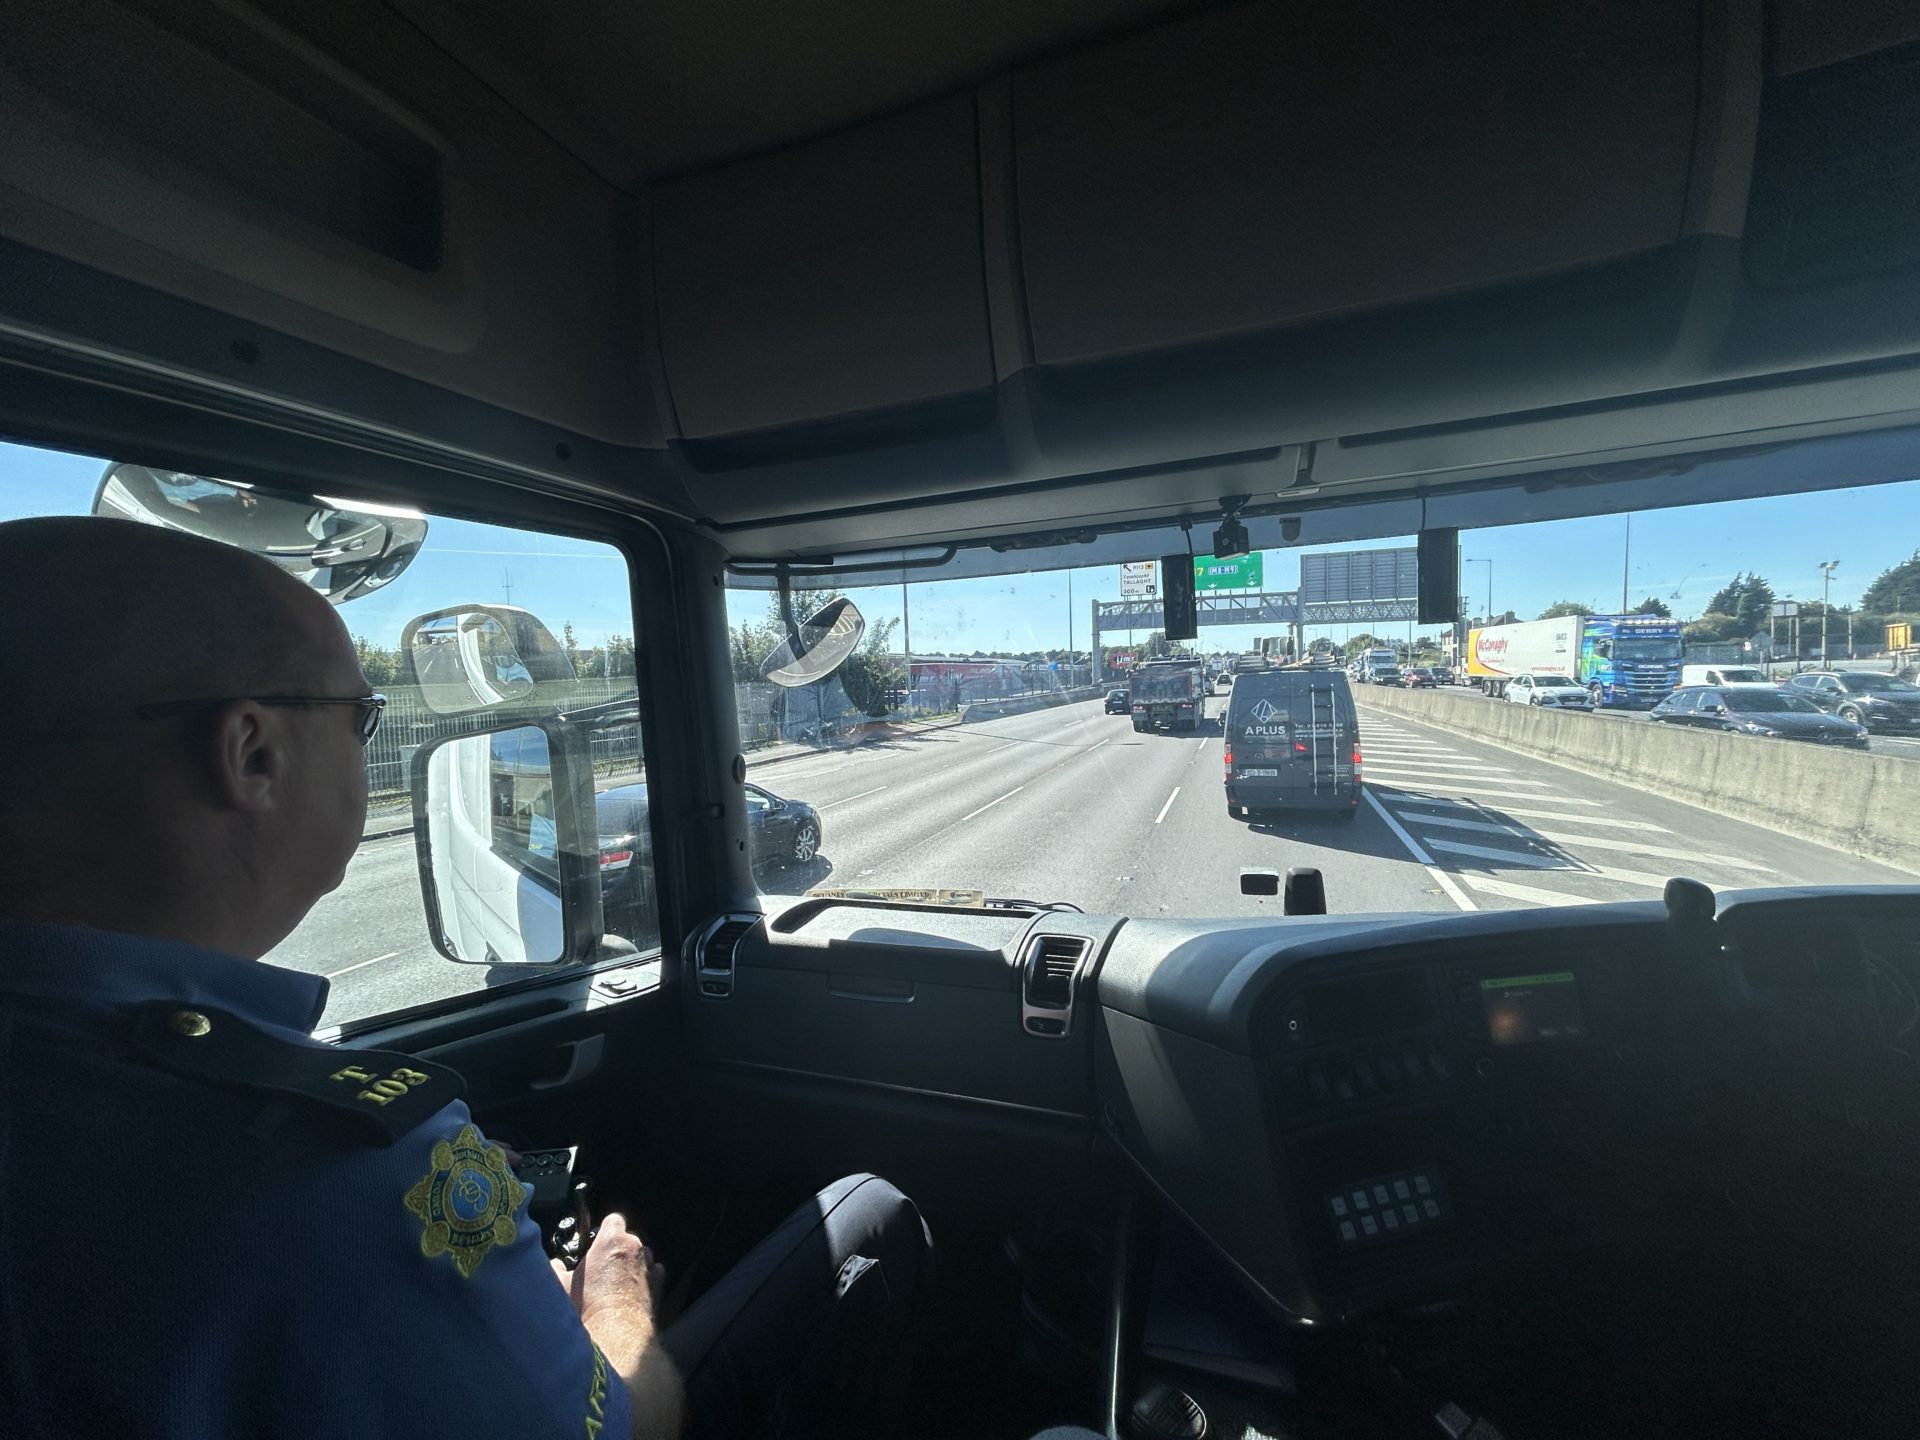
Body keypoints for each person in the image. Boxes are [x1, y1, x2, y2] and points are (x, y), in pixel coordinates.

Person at [0, 516, 930, 1439]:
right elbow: (615, 1430)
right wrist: (611, 1299)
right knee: (869, 1215)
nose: (371, 743)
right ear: (252, 754)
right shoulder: (335, 1169)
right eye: (361, 717)